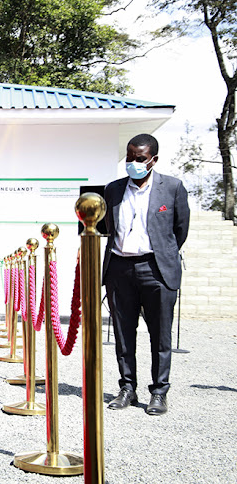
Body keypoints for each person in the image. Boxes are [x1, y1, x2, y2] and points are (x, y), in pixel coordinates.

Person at [102, 133, 190, 416]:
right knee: (124, 334)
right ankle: (127, 387)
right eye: (129, 157)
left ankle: (159, 392)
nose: (133, 163)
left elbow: (180, 230)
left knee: (160, 335)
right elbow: (107, 227)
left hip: (156, 269)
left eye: (139, 159)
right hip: (120, 268)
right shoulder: (113, 190)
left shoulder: (173, 188)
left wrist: (162, 255)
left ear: (153, 160)